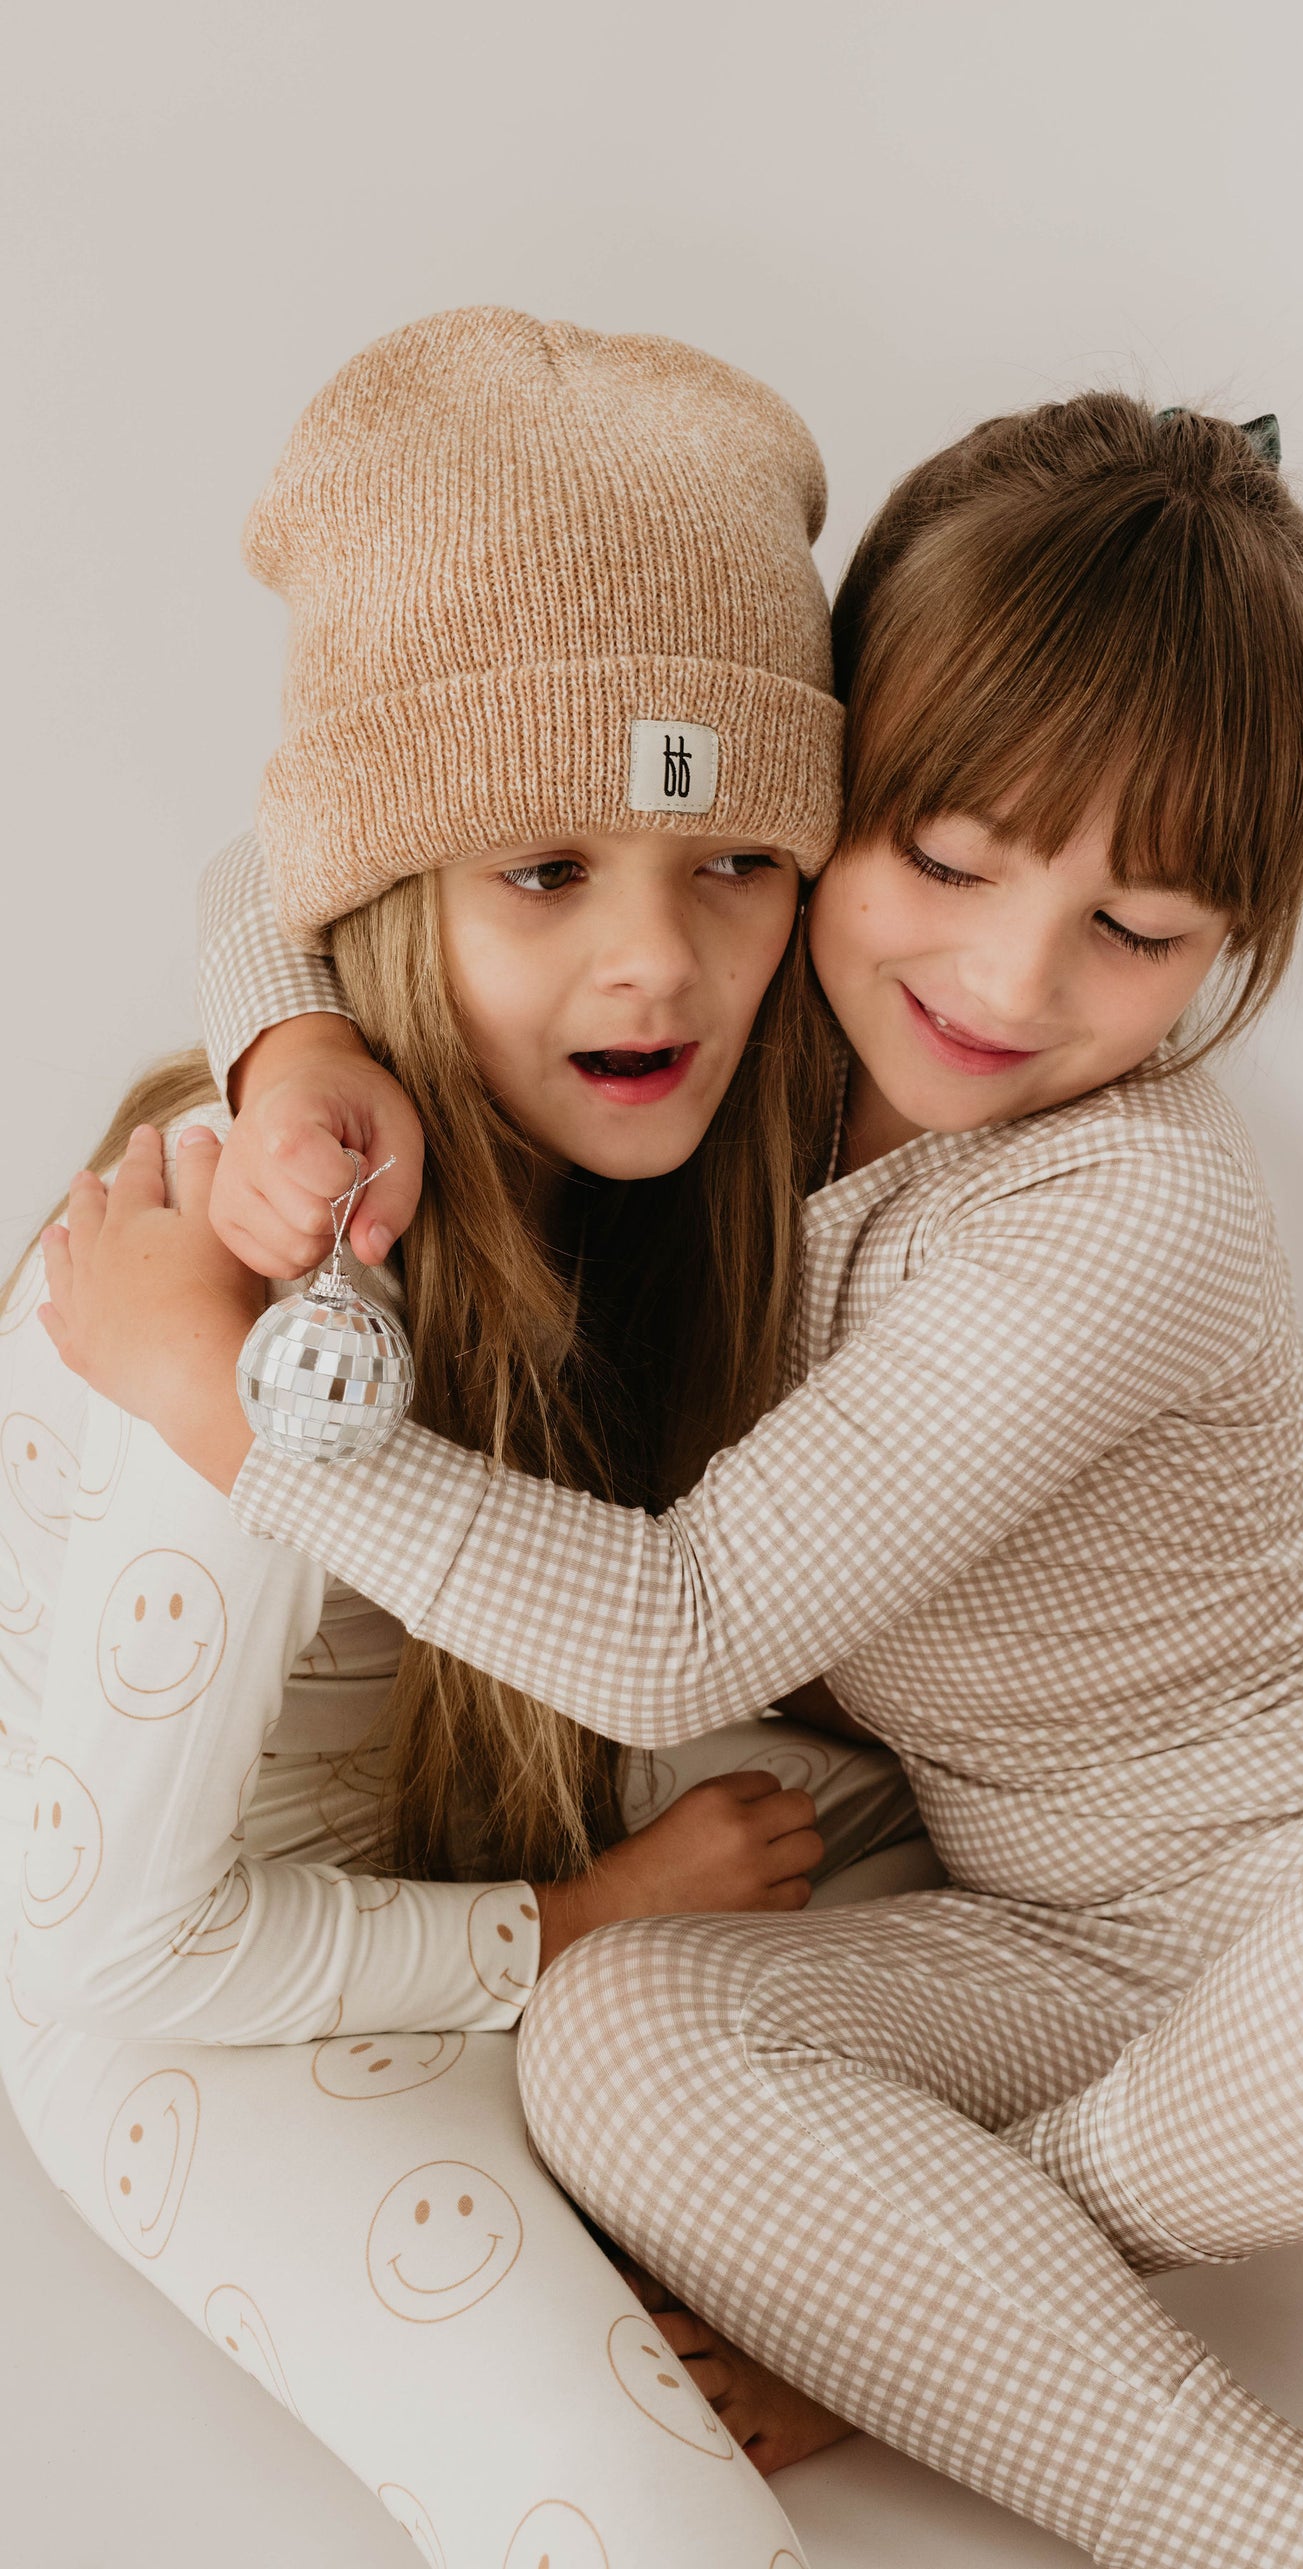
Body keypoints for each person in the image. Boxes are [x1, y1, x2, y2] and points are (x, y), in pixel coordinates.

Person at [44, 392, 1303, 2567]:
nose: (1007, 982)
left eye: (1142, 933)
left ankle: (1271, 2512)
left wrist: (246, 1409)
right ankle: (975, 2300)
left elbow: (680, 1623)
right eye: (951, 862)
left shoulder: (1121, 1205)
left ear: (1227, 948)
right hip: (1053, 1934)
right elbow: (307, 844)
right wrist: (288, 1041)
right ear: (816, 794)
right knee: (617, 2040)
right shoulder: (748, 1013)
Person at [1, 304, 944, 2569]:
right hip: (215, 2001)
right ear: (393, 892)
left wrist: (886, 2301)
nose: (663, 970)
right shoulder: (222, 1251)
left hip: (535, 1813)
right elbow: (105, 1951)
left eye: (732, 863)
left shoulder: (706, 1146)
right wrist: (586, 1917)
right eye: (543, 871)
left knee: (990, 1859)